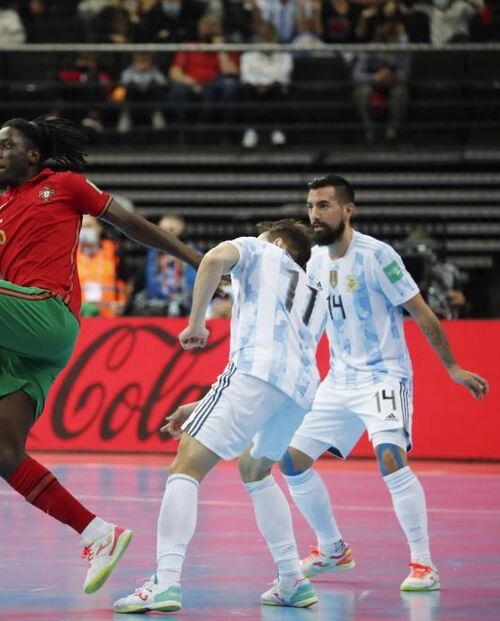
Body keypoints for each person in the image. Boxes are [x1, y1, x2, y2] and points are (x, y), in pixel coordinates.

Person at [0, 115, 203, 593]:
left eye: (5, 145)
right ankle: (98, 534)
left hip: (49, 315)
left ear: (33, 154)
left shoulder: (66, 186)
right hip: (24, 339)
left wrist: (197, 259)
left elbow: (131, 224)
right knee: (3, 454)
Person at [278, 175, 489, 593]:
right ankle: (332, 548)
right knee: (291, 462)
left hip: (383, 376)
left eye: (323, 206)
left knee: (390, 458)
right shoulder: (315, 262)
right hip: (339, 380)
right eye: (310, 207)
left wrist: (452, 368)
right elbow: (310, 326)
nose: (314, 215)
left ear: (347, 210)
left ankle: (424, 564)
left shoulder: (378, 256)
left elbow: (422, 313)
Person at [113, 219, 327, 613]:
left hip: (254, 374)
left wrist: (196, 324)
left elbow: (212, 259)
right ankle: (292, 580)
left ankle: (165, 581)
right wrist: (204, 403)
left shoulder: (262, 249)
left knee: (185, 466)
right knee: (255, 471)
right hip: (299, 391)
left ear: (278, 242)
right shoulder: (313, 290)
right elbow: (279, 361)